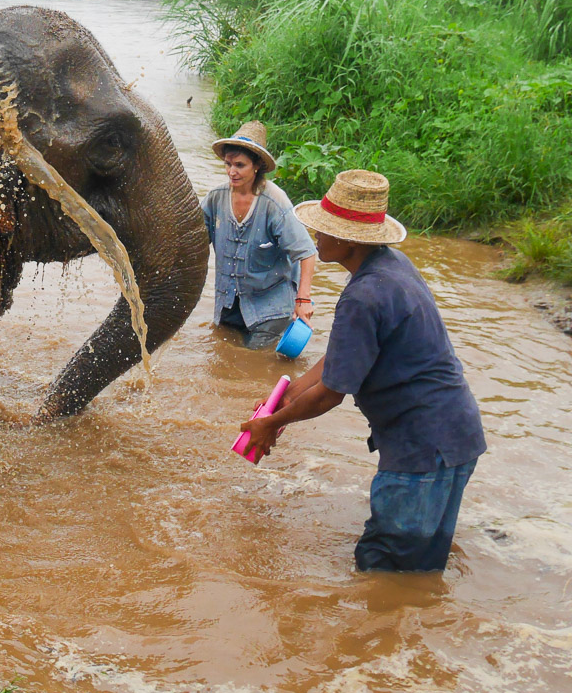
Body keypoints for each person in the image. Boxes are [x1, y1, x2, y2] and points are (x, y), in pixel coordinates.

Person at [240, 169, 486, 573]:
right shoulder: (390, 267)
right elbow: (342, 356)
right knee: (420, 568)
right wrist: (287, 394)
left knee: (383, 565)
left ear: (350, 240)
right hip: (454, 437)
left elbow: (332, 393)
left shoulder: (364, 296)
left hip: (422, 450)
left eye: (324, 230)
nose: (317, 238)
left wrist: (272, 424)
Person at [201, 121, 317, 349]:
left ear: (257, 166)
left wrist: (302, 300)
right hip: (227, 306)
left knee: (256, 362)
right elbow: (193, 240)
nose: (231, 172)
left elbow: (307, 252)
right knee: (224, 362)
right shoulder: (215, 198)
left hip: (269, 310)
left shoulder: (274, 202)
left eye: (240, 165)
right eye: (228, 164)